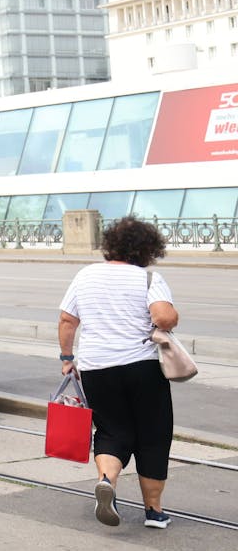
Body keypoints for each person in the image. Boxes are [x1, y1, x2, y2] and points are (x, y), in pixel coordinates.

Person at [58, 215, 179, 530]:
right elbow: (163, 317)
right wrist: (170, 316)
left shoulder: (85, 276)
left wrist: (67, 358)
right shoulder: (148, 278)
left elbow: (67, 320)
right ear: (147, 250)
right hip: (142, 368)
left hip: (97, 369)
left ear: (110, 245)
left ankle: (106, 481)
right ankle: (154, 512)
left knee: (112, 432)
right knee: (153, 435)